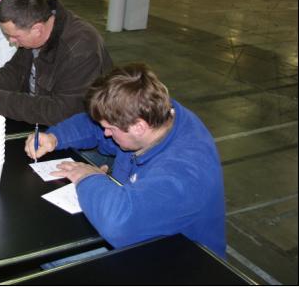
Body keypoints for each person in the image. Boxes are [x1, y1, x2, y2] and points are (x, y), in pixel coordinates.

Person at [25, 63, 226, 258]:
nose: (105, 133)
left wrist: (87, 177)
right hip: (140, 227)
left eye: (111, 129)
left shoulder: (184, 172)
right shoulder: (151, 114)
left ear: (139, 127)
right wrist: (55, 137)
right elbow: (95, 126)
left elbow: (120, 224)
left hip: (176, 261)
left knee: (49, 250)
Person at [0, 0, 113, 126]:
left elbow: (64, 111)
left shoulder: (80, 49)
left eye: (14, 36)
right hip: (37, 123)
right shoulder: (32, 30)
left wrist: (3, 102)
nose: (11, 41)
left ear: (37, 29)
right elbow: (15, 70)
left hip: (79, 136)